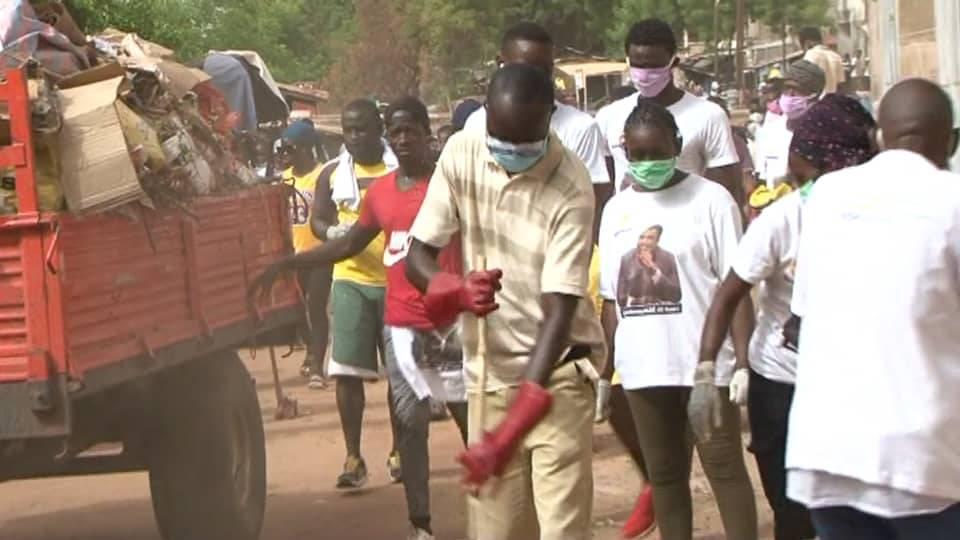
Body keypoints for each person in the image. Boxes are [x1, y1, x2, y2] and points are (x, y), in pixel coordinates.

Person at [251, 97, 468, 540]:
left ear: (428, 133)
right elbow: (348, 244)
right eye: (397, 130)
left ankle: (500, 512)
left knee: (473, 422)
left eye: (412, 130)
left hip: (451, 327)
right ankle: (420, 524)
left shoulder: (453, 186)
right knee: (410, 426)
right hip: (401, 325)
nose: (404, 138)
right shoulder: (382, 193)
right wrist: (290, 264)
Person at [406, 64, 605, 540]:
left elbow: (558, 314)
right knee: (497, 532)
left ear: (550, 119)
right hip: (489, 375)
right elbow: (418, 258)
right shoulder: (462, 152)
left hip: (556, 376)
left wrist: (510, 432)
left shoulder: (572, 186)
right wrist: (454, 289)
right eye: (501, 136)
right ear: (485, 116)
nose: (512, 150)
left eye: (525, 139)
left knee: (562, 531)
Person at [784, 79, 960, 540]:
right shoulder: (953, 200)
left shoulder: (826, 196)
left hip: (826, 454)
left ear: (878, 137)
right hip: (925, 461)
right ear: (953, 141)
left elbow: (801, 314)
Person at [698, 94, 876, 540]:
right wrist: (708, 371)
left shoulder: (877, 220)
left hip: (851, 386)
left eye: (801, 154)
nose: (792, 165)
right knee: (790, 509)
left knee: (850, 507)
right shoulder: (782, 220)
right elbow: (729, 294)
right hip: (781, 384)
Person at [599, 98, 757, 540]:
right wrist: (605, 371)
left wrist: (742, 363)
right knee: (664, 476)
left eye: (658, 152)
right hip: (644, 370)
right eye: (638, 155)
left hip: (704, 367)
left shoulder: (711, 201)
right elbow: (611, 299)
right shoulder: (615, 211)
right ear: (625, 153)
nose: (648, 163)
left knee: (724, 467)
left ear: (678, 144)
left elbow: (737, 287)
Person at [310, 99, 401, 488]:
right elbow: (318, 218)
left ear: (379, 127)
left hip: (398, 283)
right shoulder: (332, 173)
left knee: (401, 377)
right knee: (347, 374)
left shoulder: (403, 170)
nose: (355, 137)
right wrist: (330, 233)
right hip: (350, 280)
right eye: (348, 130)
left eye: (362, 128)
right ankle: (353, 457)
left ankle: (401, 451)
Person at [463, 22, 612, 228]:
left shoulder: (580, 127)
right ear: (500, 63)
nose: (536, 77)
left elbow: (594, 194)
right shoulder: (476, 124)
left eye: (545, 69)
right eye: (526, 68)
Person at [595, 19, 742, 204]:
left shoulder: (709, 116)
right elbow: (603, 189)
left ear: (674, 62)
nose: (644, 73)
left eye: (653, 66)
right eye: (638, 65)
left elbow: (728, 189)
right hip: (628, 226)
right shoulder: (609, 117)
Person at [277, 120, 331, 390]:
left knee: (316, 306)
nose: (286, 154)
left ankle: (319, 367)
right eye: (283, 149)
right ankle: (311, 350)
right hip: (295, 255)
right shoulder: (284, 179)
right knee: (298, 309)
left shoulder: (323, 175)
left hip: (319, 254)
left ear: (307, 148)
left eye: (291, 148)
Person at [754, 60, 826, 190]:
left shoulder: (826, 134)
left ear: (815, 95)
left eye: (797, 90)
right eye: (787, 88)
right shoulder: (770, 131)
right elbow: (762, 179)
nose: (790, 95)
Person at [799, 27, 844, 94]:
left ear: (807, 43)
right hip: (834, 101)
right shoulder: (836, 57)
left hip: (817, 102)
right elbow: (841, 86)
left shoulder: (810, 55)